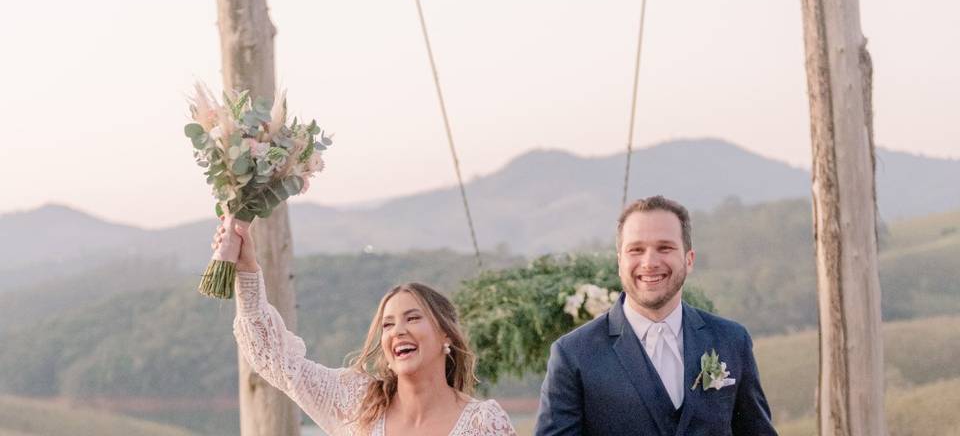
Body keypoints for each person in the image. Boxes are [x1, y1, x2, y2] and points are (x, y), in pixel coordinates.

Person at [213, 221, 516, 436]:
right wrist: (247, 269)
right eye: (387, 324)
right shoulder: (356, 402)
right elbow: (275, 358)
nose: (398, 331)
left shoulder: (483, 424)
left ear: (445, 334)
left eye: (412, 318)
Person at [534, 195, 778, 435]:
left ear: (689, 259)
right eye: (636, 250)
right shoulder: (573, 354)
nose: (649, 262)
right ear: (620, 262)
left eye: (665, 248)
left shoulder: (732, 340)